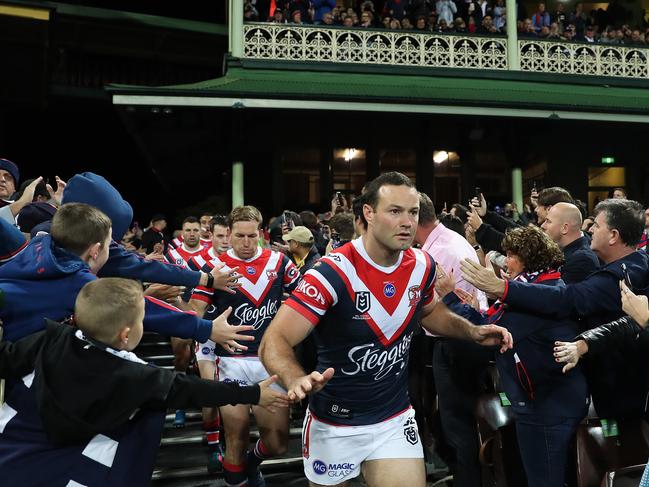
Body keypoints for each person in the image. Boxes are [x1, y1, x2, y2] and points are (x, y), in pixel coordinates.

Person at [259, 172, 512, 487]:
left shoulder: (423, 265)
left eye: (413, 212)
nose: (407, 221)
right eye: (395, 211)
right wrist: (293, 376)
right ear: (369, 213)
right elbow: (275, 339)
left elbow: (430, 311)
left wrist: (470, 331)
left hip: (393, 419)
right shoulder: (331, 273)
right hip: (334, 422)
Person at [0, 278, 288, 487]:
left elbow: (7, 357)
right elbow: (193, 389)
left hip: (15, 460)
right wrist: (253, 393)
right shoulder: (137, 375)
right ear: (126, 335)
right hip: (86, 474)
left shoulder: (50, 337)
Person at [461, 198, 649, 419]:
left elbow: (565, 299)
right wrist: (584, 344)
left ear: (613, 235)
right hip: (613, 385)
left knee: (621, 447)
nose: (590, 231)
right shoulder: (633, 265)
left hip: (619, 390)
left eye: (597, 226)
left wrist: (503, 288)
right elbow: (620, 325)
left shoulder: (619, 276)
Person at [439, 226, 588, 487]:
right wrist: (469, 308)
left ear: (527, 257)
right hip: (547, 404)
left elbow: (490, 336)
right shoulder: (537, 287)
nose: (505, 261)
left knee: (545, 482)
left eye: (510, 254)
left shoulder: (536, 296)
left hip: (546, 408)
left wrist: (451, 300)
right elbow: (492, 322)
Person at [190, 205, 301, 487]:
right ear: (229, 234)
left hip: (271, 362)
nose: (246, 242)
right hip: (231, 361)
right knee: (235, 437)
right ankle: (237, 478)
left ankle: (253, 462)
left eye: (252, 236)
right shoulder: (214, 269)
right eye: (240, 236)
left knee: (277, 444)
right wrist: (207, 331)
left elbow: (304, 304)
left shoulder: (280, 263)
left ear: (261, 233)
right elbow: (194, 313)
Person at [414, 192, 488, 487]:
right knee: (457, 425)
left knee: (458, 426)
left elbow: (430, 306)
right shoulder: (448, 241)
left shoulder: (439, 252)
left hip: (453, 342)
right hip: (458, 338)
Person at [540, 202, 600, 283]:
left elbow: (560, 294)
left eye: (548, 221)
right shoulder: (563, 251)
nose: (543, 226)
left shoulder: (582, 260)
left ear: (564, 228)